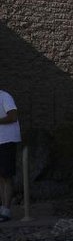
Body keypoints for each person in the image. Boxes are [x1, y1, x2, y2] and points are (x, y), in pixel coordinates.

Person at [0, 89, 21, 223]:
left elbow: (13, 116)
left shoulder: (5, 96)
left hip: (7, 141)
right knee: (0, 176)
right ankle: (2, 207)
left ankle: (6, 210)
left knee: (6, 175)